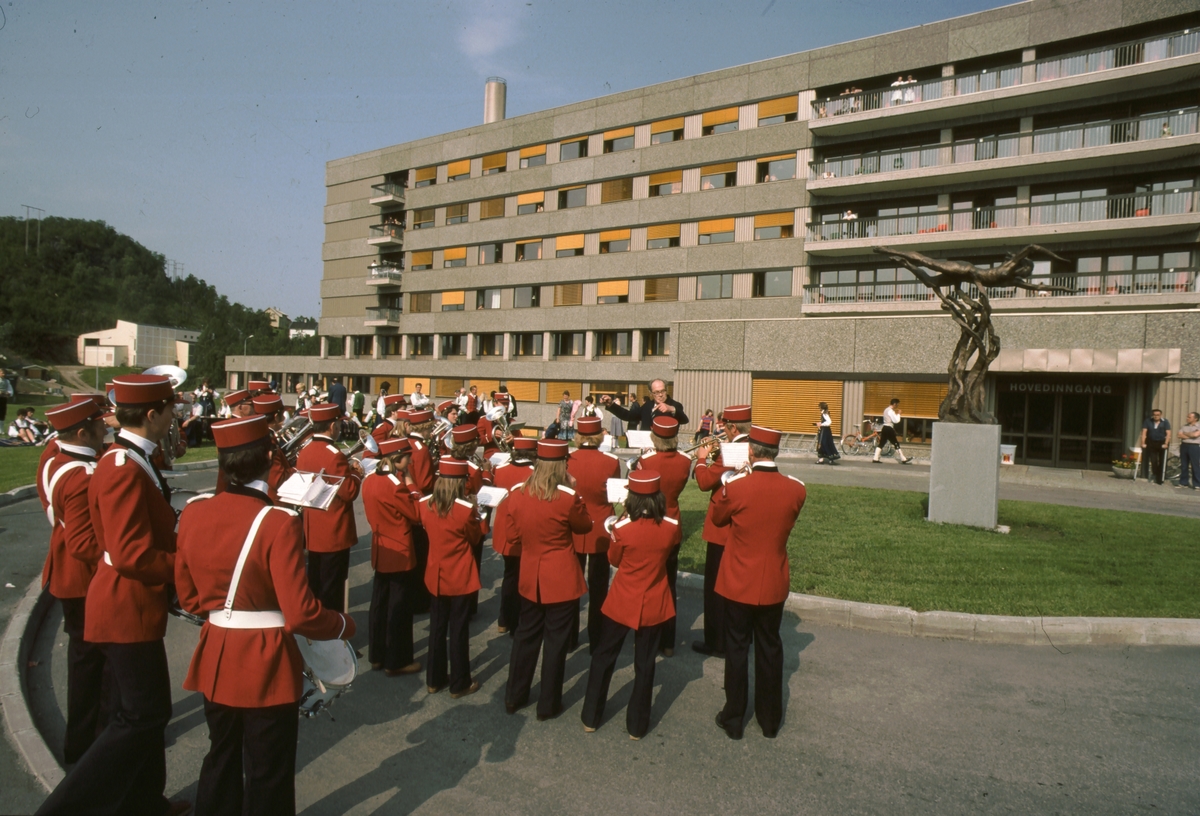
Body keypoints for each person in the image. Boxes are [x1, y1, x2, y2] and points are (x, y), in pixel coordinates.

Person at [175, 413, 355, 816]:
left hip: (217, 654)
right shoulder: (278, 521)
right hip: (266, 661)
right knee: (267, 770)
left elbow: (188, 599)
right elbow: (301, 613)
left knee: (220, 756)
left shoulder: (194, 511)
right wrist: (344, 623)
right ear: (267, 457)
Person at [37, 374, 187, 816]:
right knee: (141, 717)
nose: (174, 417)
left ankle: (142, 802)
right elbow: (130, 554)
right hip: (126, 606)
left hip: (131, 605)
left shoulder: (126, 457)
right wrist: (188, 568)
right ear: (152, 414)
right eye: (170, 410)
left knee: (140, 715)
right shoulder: (122, 465)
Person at [712, 425, 807, 741]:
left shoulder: (738, 487)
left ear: (751, 452)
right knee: (770, 648)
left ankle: (734, 717)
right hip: (773, 581)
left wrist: (732, 479)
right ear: (775, 452)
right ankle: (769, 721)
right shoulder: (796, 489)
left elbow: (717, 519)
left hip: (738, 580)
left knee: (737, 648)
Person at [580, 470, 679, 740]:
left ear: (631, 500)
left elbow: (614, 560)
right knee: (645, 664)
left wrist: (624, 519)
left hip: (623, 600)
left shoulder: (622, 529)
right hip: (654, 602)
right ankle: (637, 726)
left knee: (604, 656)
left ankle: (591, 716)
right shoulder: (671, 527)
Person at [503, 439, 593, 720]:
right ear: (561, 465)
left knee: (525, 637)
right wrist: (574, 491)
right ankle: (548, 704)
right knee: (555, 644)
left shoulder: (517, 494)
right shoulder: (568, 497)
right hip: (561, 577)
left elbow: (511, 536)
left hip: (531, 574)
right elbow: (585, 525)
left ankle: (514, 696)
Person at [41, 397, 109, 764]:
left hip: (66, 571)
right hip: (83, 579)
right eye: (99, 425)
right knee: (90, 666)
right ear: (82, 432)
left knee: (86, 661)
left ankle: (87, 740)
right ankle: (86, 745)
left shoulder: (54, 458)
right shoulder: (81, 475)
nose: (106, 428)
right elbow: (84, 544)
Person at [419, 458, 485, 698]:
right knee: (458, 630)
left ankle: (434, 679)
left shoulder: (425, 504)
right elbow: (476, 537)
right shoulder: (465, 511)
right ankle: (459, 682)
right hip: (459, 576)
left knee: (437, 628)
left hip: (436, 574)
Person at [691, 404, 751, 657]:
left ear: (733, 427)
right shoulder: (754, 446)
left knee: (716, 589)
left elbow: (705, 482)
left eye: (725, 427)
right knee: (739, 587)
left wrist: (702, 457)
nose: (722, 432)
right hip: (745, 528)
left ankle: (716, 641)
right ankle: (741, 637)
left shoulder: (731, 450)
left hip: (722, 527)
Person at [630, 416, 692, 656]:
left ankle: (644, 639)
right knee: (669, 585)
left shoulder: (646, 460)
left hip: (650, 523)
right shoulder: (685, 461)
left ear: (654, 436)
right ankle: (668, 642)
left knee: (646, 584)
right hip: (673, 523)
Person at [294, 403, 363, 612]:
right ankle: (333, 640)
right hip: (334, 532)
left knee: (316, 587)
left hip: (314, 529)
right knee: (333, 593)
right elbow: (349, 492)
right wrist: (356, 473)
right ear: (332, 426)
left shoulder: (305, 451)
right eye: (338, 425)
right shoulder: (334, 454)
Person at [362, 437, 423, 676]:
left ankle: (377, 655)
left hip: (381, 547)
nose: (409, 461)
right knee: (399, 607)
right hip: (399, 548)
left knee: (379, 603)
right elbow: (416, 513)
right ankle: (397, 660)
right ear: (397, 459)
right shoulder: (395, 484)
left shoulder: (369, 480)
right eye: (407, 457)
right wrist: (411, 484)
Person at [567, 416, 621, 652]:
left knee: (571, 586)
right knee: (599, 587)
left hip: (574, 526)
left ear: (578, 436)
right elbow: (614, 494)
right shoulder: (610, 461)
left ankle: (569, 638)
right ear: (600, 436)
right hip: (601, 527)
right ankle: (597, 638)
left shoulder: (567, 460)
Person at [490, 437, 537, 634]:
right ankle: (517, 620)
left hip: (502, 529)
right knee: (522, 576)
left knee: (509, 575)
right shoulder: (534, 473)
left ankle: (504, 619)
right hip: (524, 530)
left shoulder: (500, 470)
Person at [251, 393, 295, 502]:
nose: (284, 418)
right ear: (276, 417)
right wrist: (297, 469)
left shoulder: (257, 437)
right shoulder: (268, 442)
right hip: (274, 500)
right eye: (282, 415)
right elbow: (278, 479)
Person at [606, 379, 689, 431]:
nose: (660, 395)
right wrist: (611, 405)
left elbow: (684, 420)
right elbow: (629, 416)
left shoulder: (675, 405)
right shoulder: (647, 405)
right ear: (651, 393)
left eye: (663, 391)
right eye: (656, 392)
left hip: (665, 448)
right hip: (647, 447)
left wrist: (672, 409)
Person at [874, 398, 913, 464]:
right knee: (895, 443)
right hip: (889, 428)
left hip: (885, 427)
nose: (897, 406)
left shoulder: (886, 410)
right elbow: (896, 420)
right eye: (897, 405)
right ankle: (903, 459)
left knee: (882, 443)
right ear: (894, 404)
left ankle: (875, 458)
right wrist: (899, 414)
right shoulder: (891, 411)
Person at [1139, 408, 1171, 485]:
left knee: (1162, 460)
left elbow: (1168, 433)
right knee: (1153, 460)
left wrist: (1166, 443)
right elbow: (1144, 432)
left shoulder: (1165, 422)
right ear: (1152, 415)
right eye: (1154, 415)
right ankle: (1155, 475)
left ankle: (1160, 478)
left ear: (1160, 415)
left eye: (1158, 415)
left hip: (1162, 442)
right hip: (1151, 442)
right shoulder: (1148, 421)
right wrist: (1143, 443)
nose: (1156, 416)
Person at [1177, 412, 1200, 489]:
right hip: (1184, 446)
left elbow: (1196, 435)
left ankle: (1197, 484)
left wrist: (1185, 434)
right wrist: (1191, 434)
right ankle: (1183, 482)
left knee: (1195, 465)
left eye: (1189, 417)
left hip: (1194, 447)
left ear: (1195, 418)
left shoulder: (1199, 426)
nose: (1187, 418)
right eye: (1187, 417)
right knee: (1184, 465)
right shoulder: (1184, 426)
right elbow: (1179, 435)